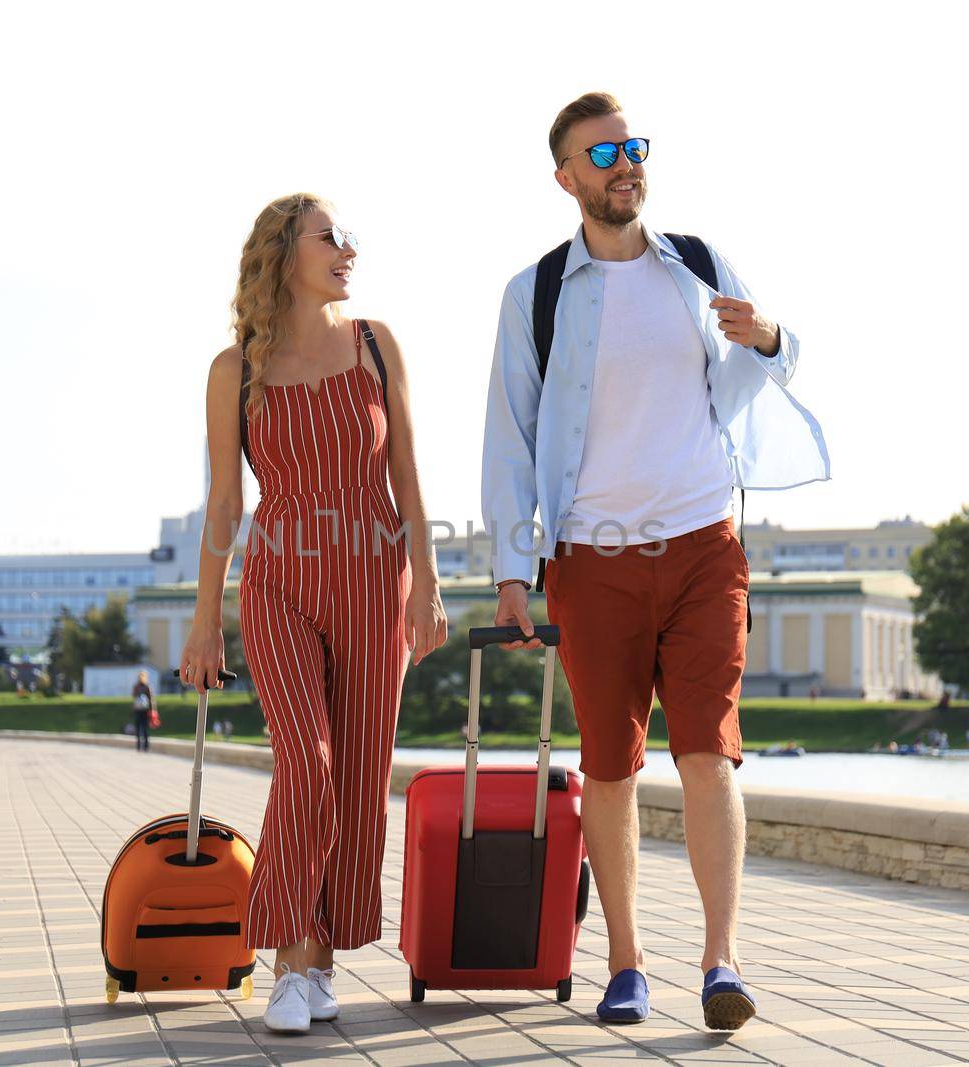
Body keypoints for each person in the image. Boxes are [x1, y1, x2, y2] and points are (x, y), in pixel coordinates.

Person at [481, 93, 828, 1031]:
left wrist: (769, 337)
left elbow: (768, 355)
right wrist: (514, 569)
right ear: (567, 177)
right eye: (601, 154)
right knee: (609, 767)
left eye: (633, 147)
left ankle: (722, 959)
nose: (623, 163)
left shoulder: (699, 265)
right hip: (592, 561)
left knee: (710, 750)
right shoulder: (538, 292)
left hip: (704, 547)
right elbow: (508, 437)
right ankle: (626, 964)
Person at [178, 194, 447, 1036]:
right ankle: (289, 958)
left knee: (361, 782)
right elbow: (225, 498)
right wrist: (204, 614)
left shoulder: (374, 344)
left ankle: (321, 954)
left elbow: (407, 471)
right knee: (309, 762)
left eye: (349, 238)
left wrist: (429, 583)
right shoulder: (237, 370)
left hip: (375, 581)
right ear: (283, 253)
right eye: (331, 237)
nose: (348, 250)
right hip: (280, 584)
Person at [131, 670, 154, 752]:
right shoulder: (147, 686)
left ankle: (138, 746)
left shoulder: (136, 687)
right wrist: (152, 710)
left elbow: (133, 697)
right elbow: (151, 699)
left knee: (138, 729)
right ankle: (146, 747)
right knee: (145, 729)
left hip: (138, 710)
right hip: (145, 710)